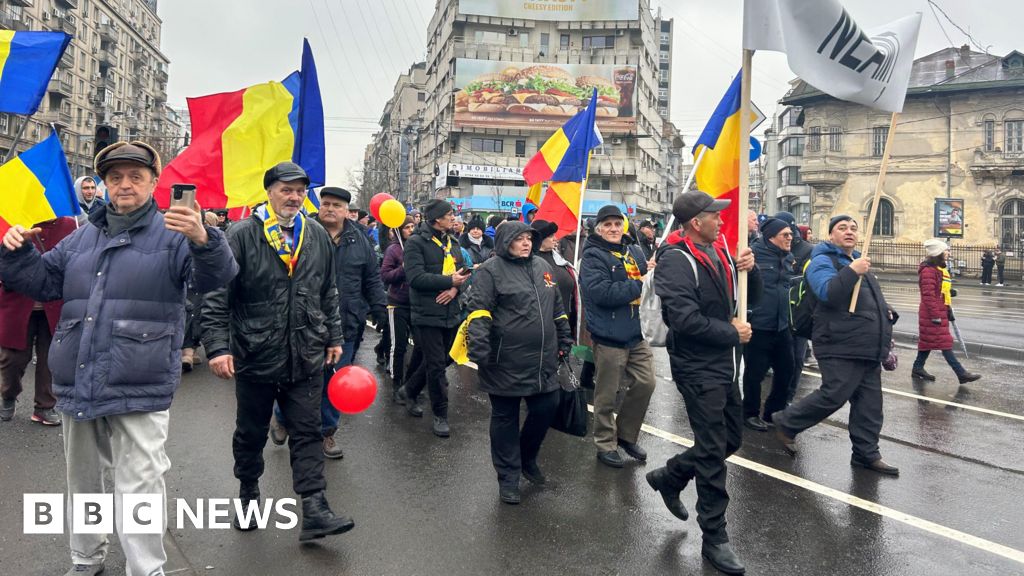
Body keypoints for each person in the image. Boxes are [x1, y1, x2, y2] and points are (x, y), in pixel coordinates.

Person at [0, 141, 237, 576]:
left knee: (141, 482)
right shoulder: (80, 237)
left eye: (135, 176)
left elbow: (216, 277)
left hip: (139, 378)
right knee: (83, 481)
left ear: (153, 182)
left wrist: (205, 238)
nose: (124, 184)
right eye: (115, 177)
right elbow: (44, 282)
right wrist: (15, 251)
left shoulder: (175, 233)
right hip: (79, 374)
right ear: (105, 184)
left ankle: (146, 568)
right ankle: (86, 558)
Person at [202, 162, 355, 539]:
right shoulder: (241, 234)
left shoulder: (315, 234)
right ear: (269, 191)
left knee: (308, 430)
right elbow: (217, 295)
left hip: (306, 354)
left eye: (301, 190)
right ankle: (248, 494)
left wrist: (333, 336)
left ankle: (316, 508)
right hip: (255, 354)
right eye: (286, 189)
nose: (294, 196)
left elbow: (328, 291)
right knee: (251, 433)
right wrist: (218, 347)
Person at [645, 190, 760, 576]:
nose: (721, 220)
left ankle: (670, 475)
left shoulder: (722, 253)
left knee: (731, 439)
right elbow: (684, 319)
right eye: (715, 215)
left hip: (726, 365)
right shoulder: (675, 260)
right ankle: (715, 539)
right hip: (697, 367)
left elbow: (747, 301)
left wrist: (750, 269)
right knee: (712, 452)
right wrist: (730, 332)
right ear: (696, 222)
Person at [772, 215, 900, 477]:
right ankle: (786, 422)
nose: (849, 232)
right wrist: (853, 271)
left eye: (853, 228)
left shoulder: (856, 262)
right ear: (831, 235)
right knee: (834, 393)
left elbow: (868, 301)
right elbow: (828, 293)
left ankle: (866, 454)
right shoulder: (823, 261)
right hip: (838, 343)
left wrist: (886, 314)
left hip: (865, 346)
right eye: (842, 228)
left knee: (869, 405)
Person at [466, 221, 573, 505]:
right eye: (519, 238)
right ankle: (508, 477)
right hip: (503, 360)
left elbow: (557, 307)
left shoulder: (542, 267)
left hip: (542, 359)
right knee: (505, 419)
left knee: (547, 406)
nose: (526, 243)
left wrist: (564, 340)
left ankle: (527, 458)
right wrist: (480, 349)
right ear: (504, 242)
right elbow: (478, 311)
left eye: (529, 238)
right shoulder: (490, 270)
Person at [277, 186, 387, 459]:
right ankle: (282, 417)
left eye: (336, 205)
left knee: (335, 381)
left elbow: (371, 279)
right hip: (304, 323)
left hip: (346, 324)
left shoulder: (359, 240)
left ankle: (327, 433)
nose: (329, 209)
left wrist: (380, 311)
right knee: (297, 376)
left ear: (347, 211)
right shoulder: (301, 232)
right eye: (325, 203)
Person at [579, 205, 656, 468]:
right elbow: (603, 294)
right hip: (609, 334)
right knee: (607, 394)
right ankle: (605, 443)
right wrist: (640, 282)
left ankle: (626, 435)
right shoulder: (592, 256)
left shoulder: (633, 249)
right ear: (599, 229)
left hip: (637, 332)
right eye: (608, 225)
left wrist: (652, 271)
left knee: (646, 383)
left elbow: (648, 281)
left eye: (617, 224)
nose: (614, 229)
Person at [396, 199, 470, 437]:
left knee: (441, 359)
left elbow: (464, 273)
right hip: (426, 314)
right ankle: (440, 414)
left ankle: (410, 389)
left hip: (452, 312)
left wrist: (455, 289)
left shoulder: (453, 241)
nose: (453, 218)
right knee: (437, 366)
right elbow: (416, 278)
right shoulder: (417, 242)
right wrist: (449, 282)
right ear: (437, 218)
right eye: (449, 214)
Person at [0, 216, 77, 425]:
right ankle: (8, 394)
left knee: (50, 359)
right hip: (17, 304)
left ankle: (45, 406)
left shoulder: (70, 225)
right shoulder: (12, 222)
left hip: (54, 305)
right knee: (12, 359)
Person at [742, 217, 795, 432]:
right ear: (771, 236)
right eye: (785, 234)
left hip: (782, 325)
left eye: (791, 234)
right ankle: (750, 413)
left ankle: (774, 412)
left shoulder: (787, 257)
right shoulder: (753, 254)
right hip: (759, 325)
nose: (790, 237)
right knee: (755, 373)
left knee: (787, 370)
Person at [912, 239, 981, 383]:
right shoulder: (929, 271)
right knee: (944, 343)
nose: (948, 253)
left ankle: (917, 368)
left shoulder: (936, 269)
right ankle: (961, 374)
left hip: (937, 310)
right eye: (946, 250)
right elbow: (928, 295)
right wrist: (936, 315)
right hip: (932, 313)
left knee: (927, 342)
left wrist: (949, 294)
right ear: (938, 253)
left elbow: (937, 291)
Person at [381, 217, 422, 405]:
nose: (411, 230)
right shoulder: (393, 249)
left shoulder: (418, 247)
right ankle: (396, 384)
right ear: (399, 230)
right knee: (399, 346)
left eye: (413, 226)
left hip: (418, 303)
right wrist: (403, 269)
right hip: (397, 303)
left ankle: (411, 384)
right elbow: (386, 275)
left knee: (421, 345)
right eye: (407, 227)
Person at [774, 211, 813, 402]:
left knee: (796, 358)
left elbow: (807, 280)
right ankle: (778, 397)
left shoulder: (807, 250)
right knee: (778, 358)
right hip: (776, 313)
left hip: (798, 313)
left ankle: (788, 396)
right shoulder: (770, 247)